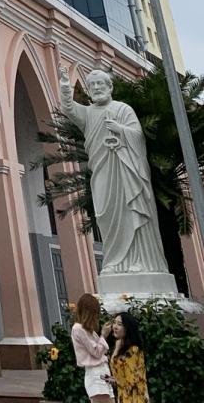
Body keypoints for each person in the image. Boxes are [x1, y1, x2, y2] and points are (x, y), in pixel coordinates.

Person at [59, 64, 169, 277]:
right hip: (103, 171)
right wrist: (65, 84)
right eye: (92, 85)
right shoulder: (88, 113)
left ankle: (141, 261)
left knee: (132, 211)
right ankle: (114, 261)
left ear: (109, 87)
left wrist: (120, 130)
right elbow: (69, 108)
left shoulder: (123, 109)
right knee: (106, 215)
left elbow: (138, 136)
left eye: (100, 83)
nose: (96, 88)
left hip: (126, 170)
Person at [70, 293, 115, 402]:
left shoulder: (88, 330)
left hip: (102, 371)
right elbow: (96, 352)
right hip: (95, 373)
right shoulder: (78, 329)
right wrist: (103, 335)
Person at [109, 310, 151, 403]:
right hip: (124, 397)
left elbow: (131, 381)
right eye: (114, 323)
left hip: (135, 398)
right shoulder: (120, 347)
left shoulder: (133, 350)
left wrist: (116, 381)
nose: (115, 326)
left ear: (127, 328)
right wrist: (114, 379)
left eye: (119, 324)